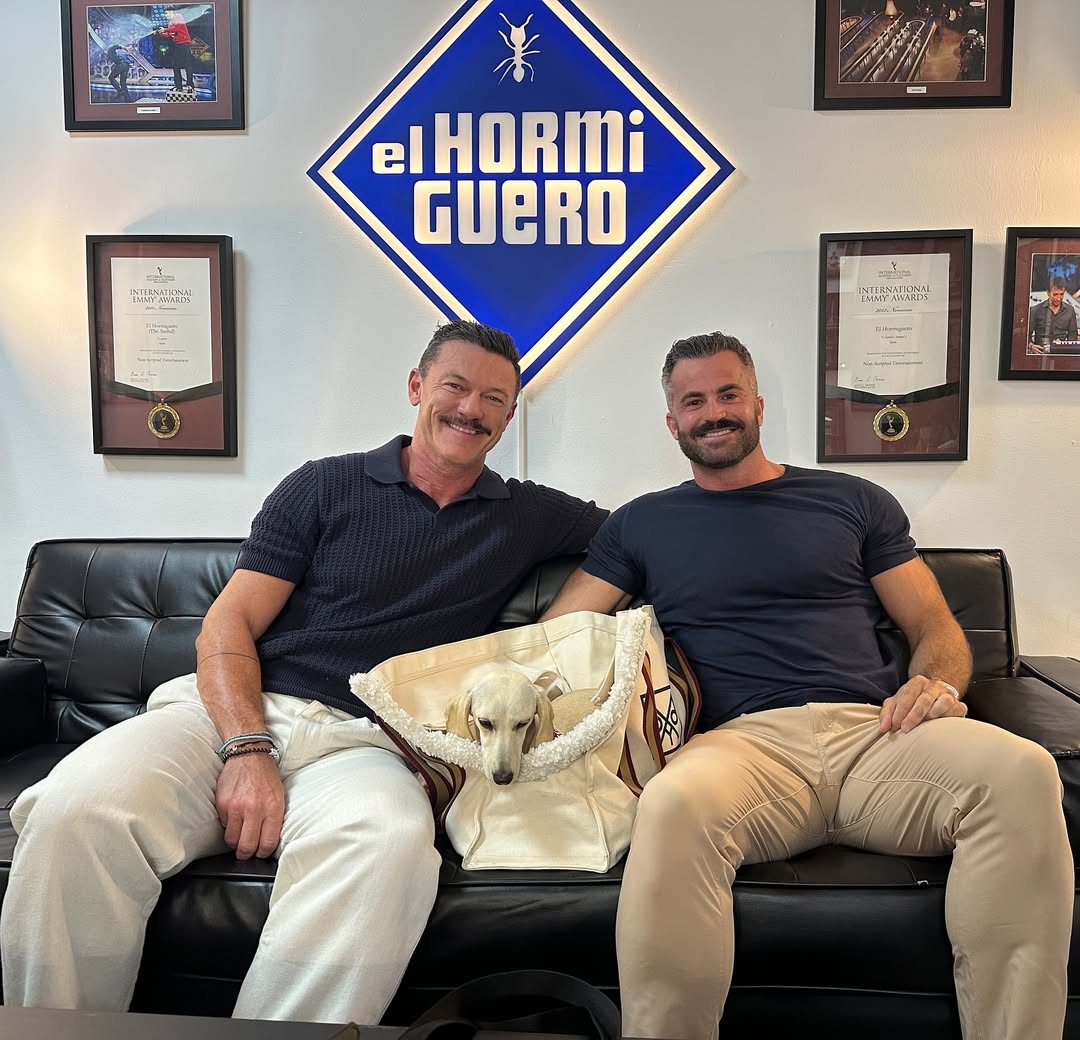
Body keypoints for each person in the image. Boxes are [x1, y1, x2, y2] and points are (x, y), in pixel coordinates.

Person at [1, 321, 607, 1024]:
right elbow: (228, 625)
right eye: (456, 386)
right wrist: (246, 747)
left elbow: (634, 536)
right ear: (417, 387)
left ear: (509, 414)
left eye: (494, 398)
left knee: (387, 845)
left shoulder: (526, 514)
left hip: (366, 744)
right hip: (233, 712)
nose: (471, 409)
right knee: (77, 809)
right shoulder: (324, 486)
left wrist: (539, 640)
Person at [541, 331, 1072, 1040]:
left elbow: (934, 625)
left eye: (729, 393)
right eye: (693, 401)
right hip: (740, 749)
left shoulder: (851, 500)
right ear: (672, 422)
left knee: (1024, 772)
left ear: (758, 404)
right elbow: (556, 636)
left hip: (878, 734)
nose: (713, 412)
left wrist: (936, 685)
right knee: (669, 805)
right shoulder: (642, 523)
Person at [1028, 276, 1078, 353]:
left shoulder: (1070, 310)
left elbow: (1073, 334)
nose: (1059, 298)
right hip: (1041, 352)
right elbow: (1026, 334)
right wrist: (1031, 346)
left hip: (1062, 352)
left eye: (1061, 294)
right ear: (1048, 293)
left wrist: (1068, 349)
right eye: (1055, 294)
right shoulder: (1035, 310)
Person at [156, 8, 195, 92]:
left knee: (187, 65)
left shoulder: (178, 16)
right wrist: (161, 33)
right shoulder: (170, 23)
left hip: (184, 44)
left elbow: (176, 28)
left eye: (166, 13)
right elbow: (169, 34)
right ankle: (178, 86)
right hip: (177, 45)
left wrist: (165, 29)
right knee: (175, 66)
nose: (166, 15)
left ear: (171, 12)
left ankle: (190, 85)